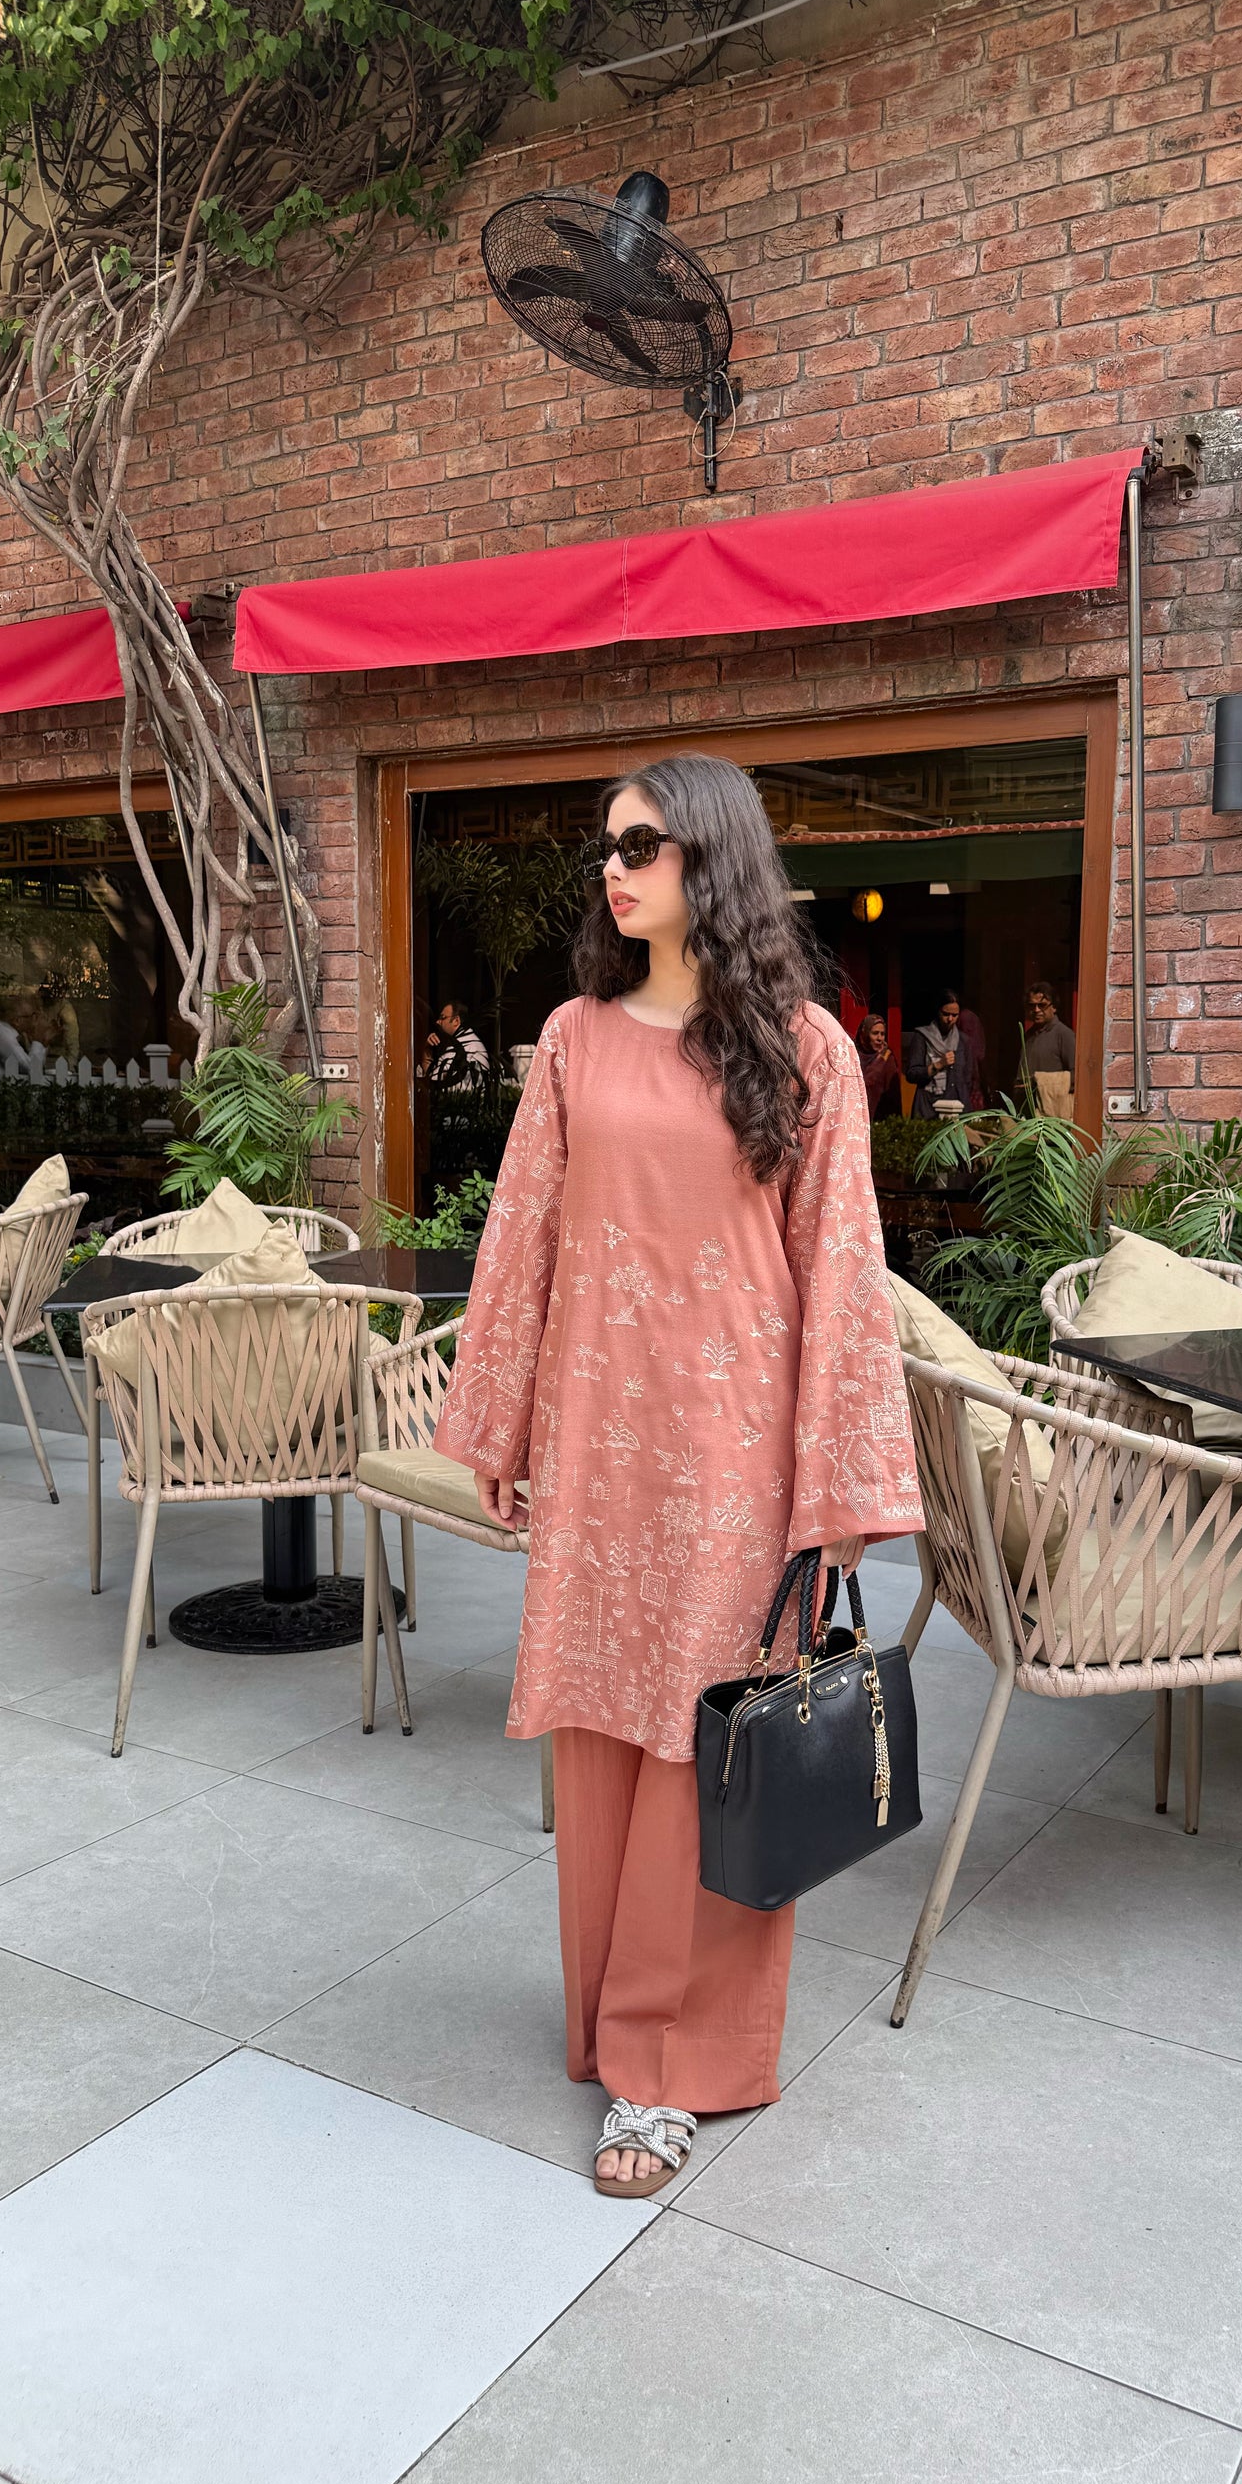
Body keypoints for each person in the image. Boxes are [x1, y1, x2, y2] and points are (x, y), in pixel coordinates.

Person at [434, 755, 921, 2196]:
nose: (613, 866)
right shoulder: (571, 1038)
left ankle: (665, 2063)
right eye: (605, 845)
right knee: (603, 1730)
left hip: (734, 1459)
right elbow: (520, 1235)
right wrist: (502, 1427)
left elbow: (843, 1272)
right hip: (601, 1444)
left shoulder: (803, 1048)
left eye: (640, 843)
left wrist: (839, 1488)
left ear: (712, 855)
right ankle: (610, 2021)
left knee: (704, 1745)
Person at [903, 991, 978, 1119]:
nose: (950, 1019)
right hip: (929, 1108)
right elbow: (911, 1074)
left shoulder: (963, 1041)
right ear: (938, 1012)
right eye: (946, 1014)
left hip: (957, 1108)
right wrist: (938, 1065)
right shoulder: (923, 1037)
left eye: (954, 1015)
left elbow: (968, 1078)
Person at [1018, 981, 1076, 1109]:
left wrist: (1042, 1083)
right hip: (1028, 1108)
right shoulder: (1029, 1035)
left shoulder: (1063, 1034)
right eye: (1032, 1006)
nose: (1036, 1010)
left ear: (1053, 1007)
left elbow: (1076, 1076)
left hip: (1052, 1109)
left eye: (1042, 1005)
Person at [422, 999, 490, 1087]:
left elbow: (432, 1083)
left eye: (442, 1018)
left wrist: (425, 1053)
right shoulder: (470, 1039)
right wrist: (427, 1051)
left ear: (456, 1021)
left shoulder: (461, 1046)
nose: (438, 1022)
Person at [856, 1011, 902, 1119]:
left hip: (878, 1118)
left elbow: (894, 1096)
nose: (879, 1038)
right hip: (855, 1114)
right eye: (875, 1033)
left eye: (882, 1034)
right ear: (865, 1033)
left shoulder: (886, 1058)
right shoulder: (853, 1054)